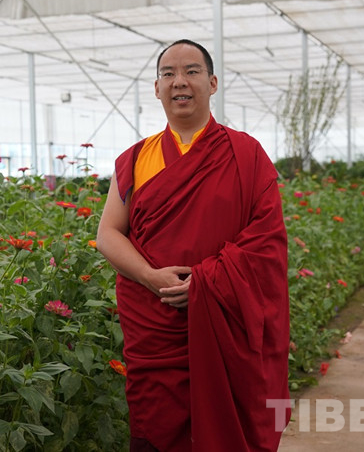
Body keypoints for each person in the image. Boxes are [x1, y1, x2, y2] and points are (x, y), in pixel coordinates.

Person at [96, 39, 290, 451]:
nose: (179, 82)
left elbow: (266, 242)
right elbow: (108, 234)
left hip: (225, 326)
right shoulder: (135, 158)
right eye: (168, 74)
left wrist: (206, 283)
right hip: (156, 328)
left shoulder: (245, 154)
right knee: (157, 428)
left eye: (192, 71)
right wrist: (149, 277)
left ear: (212, 83)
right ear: (156, 88)